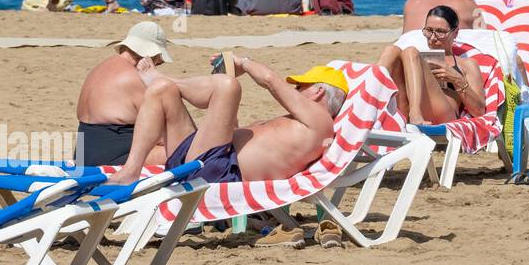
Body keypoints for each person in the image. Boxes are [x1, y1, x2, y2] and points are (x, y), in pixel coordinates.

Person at [107, 57, 348, 185]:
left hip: (217, 170)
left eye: (299, 86)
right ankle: (131, 170)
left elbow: (270, 80)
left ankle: (167, 79)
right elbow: (232, 134)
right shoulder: (294, 124)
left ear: (318, 91)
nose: (294, 89)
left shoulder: (320, 120)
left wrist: (242, 62)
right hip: (205, 160)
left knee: (228, 86)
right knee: (161, 90)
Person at [75, 21, 174, 167]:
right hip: (111, 157)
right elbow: (162, 135)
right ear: (149, 52)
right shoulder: (133, 78)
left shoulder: (99, 69)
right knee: (188, 153)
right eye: (158, 56)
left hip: (83, 154)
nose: (160, 61)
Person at [378, 5, 486, 124]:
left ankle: (415, 114)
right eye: (429, 31)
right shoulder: (414, 59)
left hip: (444, 115)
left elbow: (480, 111)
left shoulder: (467, 64)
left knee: (410, 51)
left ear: (455, 33)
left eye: (440, 32)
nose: (432, 38)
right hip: (405, 109)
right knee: (391, 50)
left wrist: (456, 79)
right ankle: (367, 99)